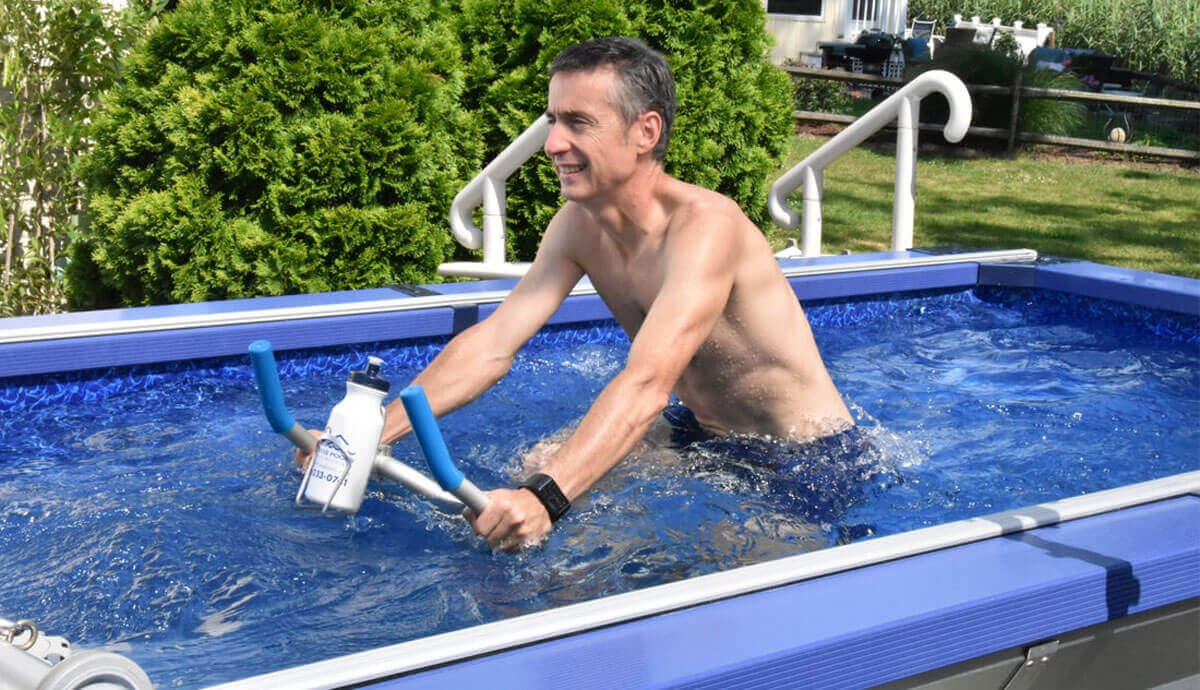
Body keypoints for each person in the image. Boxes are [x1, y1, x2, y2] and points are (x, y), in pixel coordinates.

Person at [301, 36, 853, 550]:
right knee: (536, 462)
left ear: (646, 132)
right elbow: (492, 344)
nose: (553, 144)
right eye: (552, 120)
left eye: (578, 123)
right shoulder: (578, 225)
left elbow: (646, 383)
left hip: (801, 457)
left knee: (728, 562)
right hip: (700, 432)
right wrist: (368, 434)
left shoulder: (708, 227)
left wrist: (545, 498)